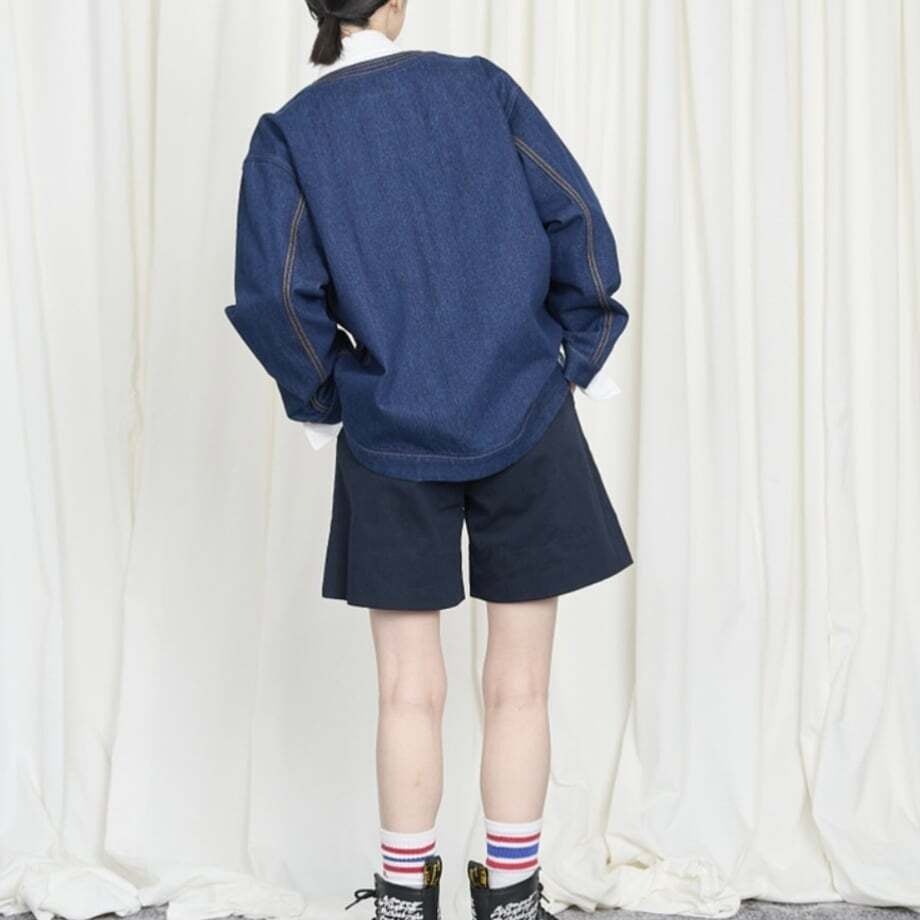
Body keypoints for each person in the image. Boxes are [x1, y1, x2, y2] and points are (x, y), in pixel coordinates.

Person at [223, 1, 633, 917]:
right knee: (521, 685)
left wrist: (328, 397)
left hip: (389, 432)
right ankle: (514, 900)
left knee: (408, 691)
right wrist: (584, 342)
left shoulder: (290, 135)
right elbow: (572, 215)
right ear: (395, 2)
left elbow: (275, 297)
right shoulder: (479, 88)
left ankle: (405, 902)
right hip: (526, 410)